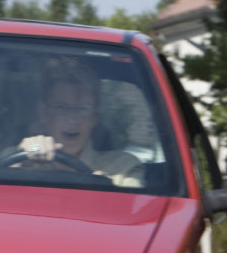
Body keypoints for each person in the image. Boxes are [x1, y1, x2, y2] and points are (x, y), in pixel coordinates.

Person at [16, 56, 144, 188]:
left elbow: (134, 207)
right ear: (43, 112)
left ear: (95, 116)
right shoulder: (20, 158)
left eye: (83, 109)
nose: (73, 120)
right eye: (61, 107)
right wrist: (27, 156)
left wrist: (107, 194)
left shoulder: (121, 169)